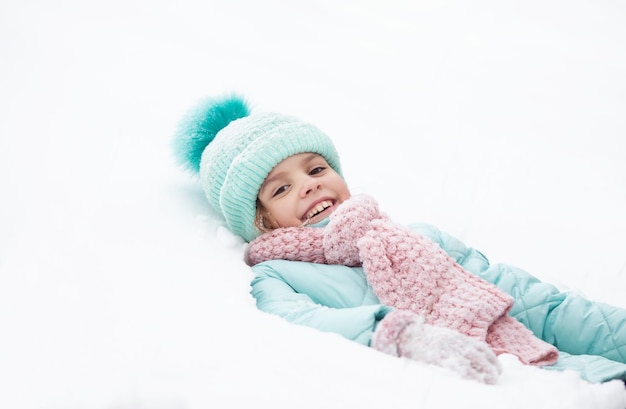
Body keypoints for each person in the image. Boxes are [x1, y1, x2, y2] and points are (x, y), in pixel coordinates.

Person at [172, 93, 626, 385]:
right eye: (281, 188)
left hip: (543, 361)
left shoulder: (413, 238)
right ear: (262, 222)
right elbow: (297, 322)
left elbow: (526, 300)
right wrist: (404, 336)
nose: (309, 185)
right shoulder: (279, 275)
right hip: (482, 385)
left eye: (316, 169)